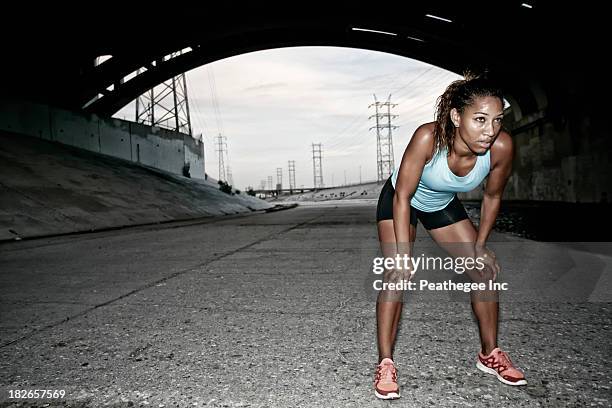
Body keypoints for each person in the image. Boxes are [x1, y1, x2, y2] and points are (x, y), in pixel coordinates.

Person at [373, 74, 526, 400]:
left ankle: (489, 353)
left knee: (483, 271)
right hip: (401, 200)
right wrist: (402, 253)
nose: (490, 130)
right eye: (480, 119)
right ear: (457, 116)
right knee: (396, 275)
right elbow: (403, 196)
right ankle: (386, 362)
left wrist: (481, 246)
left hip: (440, 205)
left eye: (497, 120)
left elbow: (492, 198)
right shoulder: (428, 138)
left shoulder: (501, 147)